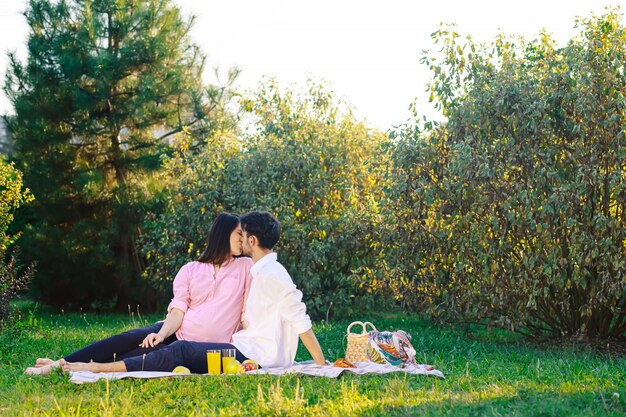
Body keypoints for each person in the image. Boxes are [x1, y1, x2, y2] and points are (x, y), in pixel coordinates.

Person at [60, 211, 326, 374]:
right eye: (238, 234)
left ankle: (93, 368)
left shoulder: (268, 272)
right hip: (244, 345)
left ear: (252, 241)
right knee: (135, 339)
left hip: (256, 354)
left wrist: (322, 365)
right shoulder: (258, 270)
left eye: (243, 235)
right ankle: (65, 363)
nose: (241, 240)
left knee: (179, 350)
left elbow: (300, 321)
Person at [25, 212, 253, 375]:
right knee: (127, 338)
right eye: (239, 234)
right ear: (223, 234)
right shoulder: (190, 269)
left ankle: (75, 368)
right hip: (175, 329)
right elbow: (178, 310)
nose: (243, 240)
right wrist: (161, 334)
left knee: (137, 354)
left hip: (202, 346)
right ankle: (58, 364)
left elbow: (248, 309)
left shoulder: (245, 267)